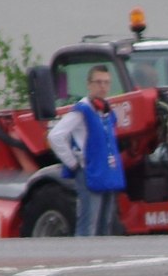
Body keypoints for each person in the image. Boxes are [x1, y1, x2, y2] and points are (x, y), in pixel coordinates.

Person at [46, 64, 125, 236]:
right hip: (89, 172)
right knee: (89, 224)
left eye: (106, 82)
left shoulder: (106, 111)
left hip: (106, 171)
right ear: (89, 85)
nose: (103, 86)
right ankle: (83, 256)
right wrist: (73, 164)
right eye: (98, 82)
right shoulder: (82, 110)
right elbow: (56, 136)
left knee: (106, 224)